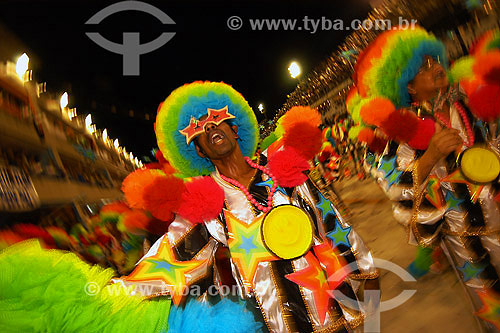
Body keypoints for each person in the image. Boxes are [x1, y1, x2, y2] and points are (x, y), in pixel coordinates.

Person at [117, 81, 379, 332]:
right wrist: (114, 293)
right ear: (198, 151)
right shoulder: (206, 202)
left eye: (218, 121)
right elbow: (171, 256)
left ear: (235, 130)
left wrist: (365, 271)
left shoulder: (281, 168)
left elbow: (330, 224)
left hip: (328, 309)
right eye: (202, 130)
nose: (211, 129)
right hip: (271, 323)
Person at [349, 27, 500, 331]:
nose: (435, 68)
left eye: (435, 60)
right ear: (409, 86)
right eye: (424, 66)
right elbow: (398, 190)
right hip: (466, 240)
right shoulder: (403, 130)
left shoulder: (471, 101)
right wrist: (430, 155)